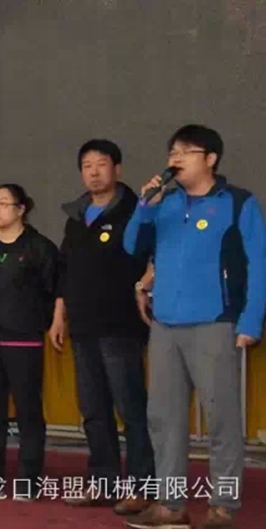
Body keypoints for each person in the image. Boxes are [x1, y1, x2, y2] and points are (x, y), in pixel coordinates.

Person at [123, 125, 266, 529]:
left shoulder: (237, 202)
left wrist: (250, 320)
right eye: (172, 151)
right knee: (164, 419)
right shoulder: (165, 203)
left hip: (215, 323)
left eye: (186, 151)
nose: (176, 158)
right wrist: (145, 206)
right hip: (165, 325)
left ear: (211, 159)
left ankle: (223, 506)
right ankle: (170, 505)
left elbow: (259, 264)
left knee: (221, 419)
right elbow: (132, 246)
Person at [48, 139, 155, 515]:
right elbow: (65, 271)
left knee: (131, 408)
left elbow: (153, 256)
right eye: (87, 166)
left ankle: (143, 486)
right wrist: (59, 314)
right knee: (93, 409)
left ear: (117, 169)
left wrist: (145, 285)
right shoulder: (76, 218)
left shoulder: (135, 211)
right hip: (83, 326)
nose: (94, 172)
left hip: (120, 324)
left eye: (101, 164)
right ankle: (103, 482)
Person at [0, 184, 58, 500]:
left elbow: (51, 290)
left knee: (28, 413)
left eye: (4, 204)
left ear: (21, 209)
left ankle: (28, 481)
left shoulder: (39, 247)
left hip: (23, 341)